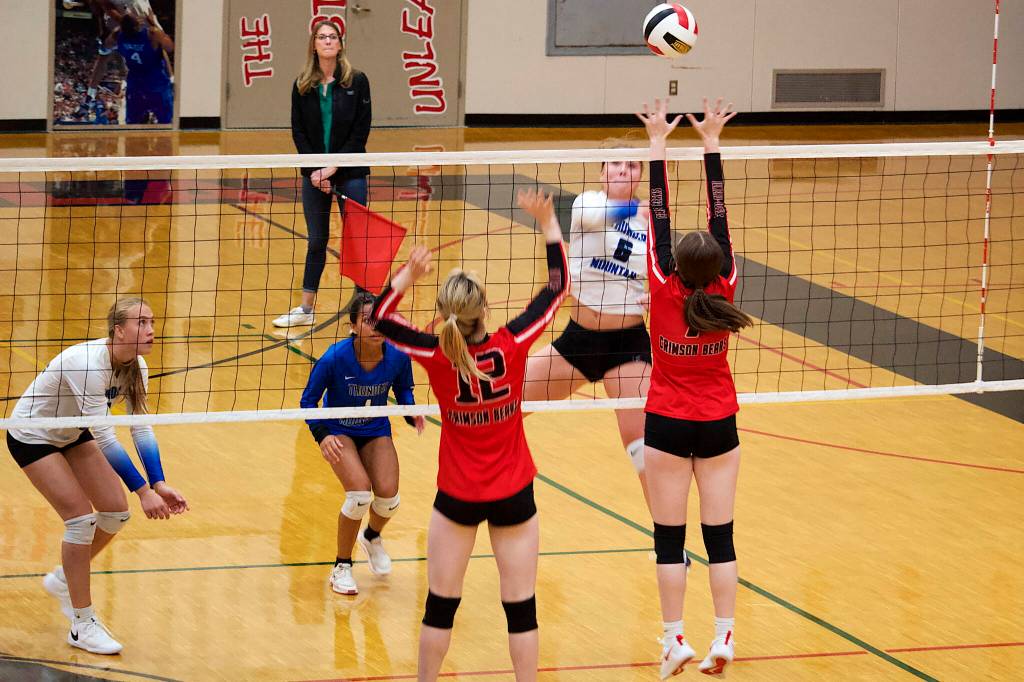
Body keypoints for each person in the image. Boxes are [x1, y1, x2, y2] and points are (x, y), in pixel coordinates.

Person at [369, 189, 568, 682]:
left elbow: (376, 319)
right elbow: (559, 286)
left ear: (444, 314)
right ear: (486, 309)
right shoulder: (513, 342)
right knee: (521, 608)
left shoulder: (435, 353)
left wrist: (408, 276)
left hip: (457, 494)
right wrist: (546, 222)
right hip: (513, 492)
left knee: (441, 606)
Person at [636, 98, 752, 679]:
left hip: (666, 420)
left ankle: (673, 640)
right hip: (718, 422)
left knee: (667, 538)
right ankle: (724, 635)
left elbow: (659, 211)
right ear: (717, 266)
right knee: (720, 537)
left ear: (675, 265)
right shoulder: (725, 285)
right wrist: (712, 142)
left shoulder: (662, 285)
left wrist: (659, 143)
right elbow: (720, 211)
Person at [6, 297, 188, 655]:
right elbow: (104, 435)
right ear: (119, 330)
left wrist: (158, 483)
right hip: (34, 433)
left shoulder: (136, 366)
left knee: (115, 512)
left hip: (73, 431)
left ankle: (63, 579)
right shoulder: (87, 364)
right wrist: (142, 491)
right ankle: (81, 624)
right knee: (80, 520)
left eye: (152, 322)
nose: (152, 330)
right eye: (142, 323)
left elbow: (140, 426)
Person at [522, 139, 653, 502]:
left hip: (628, 349)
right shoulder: (588, 204)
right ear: (602, 172)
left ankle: (669, 546)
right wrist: (634, 210)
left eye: (632, 165)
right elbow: (596, 218)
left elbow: (663, 273)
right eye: (615, 164)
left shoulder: (654, 222)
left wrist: (659, 293)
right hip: (577, 343)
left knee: (644, 451)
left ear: (641, 174)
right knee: (503, 407)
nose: (623, 169)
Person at [300, 291, 424, 595]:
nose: (375, 326)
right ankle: (341, 566)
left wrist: (412, 414)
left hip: (375, 429)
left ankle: (371, 537)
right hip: (338, 428)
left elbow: (404, 391)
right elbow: (306, 402)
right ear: (353, 325)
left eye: (379, 320)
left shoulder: (397, 355)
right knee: (359, 495)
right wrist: (322, 435)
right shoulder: (334, 358)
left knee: (388, 498)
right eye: (368, 321)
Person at [275, 20, 372, 328]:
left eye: (333, 37)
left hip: (350, 171)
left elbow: (360, 131)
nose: (328, 41)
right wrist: (315, 171)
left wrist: (334, 167)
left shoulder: (357, 81)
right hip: (314, 174)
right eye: (322, 37)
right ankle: (305, 309)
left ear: (340, 44)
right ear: (314, 45)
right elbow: (299, 133)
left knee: (357, 241)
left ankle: (363, 311)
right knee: (317, 239)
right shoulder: (302, 85)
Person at [102, 4, 174, 124]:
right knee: (166, 123)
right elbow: (170, 47)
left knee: (133, 125)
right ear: (140, 22)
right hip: (157, 83)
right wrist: (154, 23)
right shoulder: (152, 33)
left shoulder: (118, 35)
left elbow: (106, 46)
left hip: (135, 84)